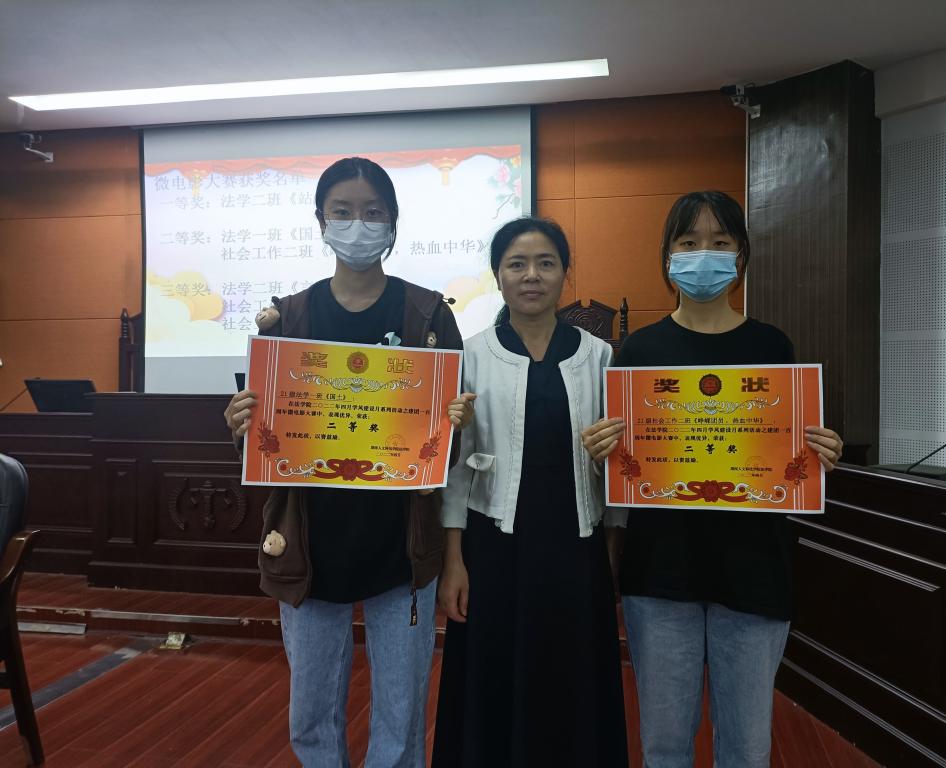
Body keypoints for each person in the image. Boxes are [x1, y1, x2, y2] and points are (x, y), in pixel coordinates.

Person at [223, 157, 474, 768]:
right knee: (311, 713)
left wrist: (454, 425)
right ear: (320, 221)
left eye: (372, 212)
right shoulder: (289, 318)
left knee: (402, 712)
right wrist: (241, 425)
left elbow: (449, 447)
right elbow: (266, 441)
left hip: (402, 546)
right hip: (311, 543)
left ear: (392, 222)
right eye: (342, 211)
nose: (357, 224)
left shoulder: (428, 316)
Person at [587, 191, 844, 768]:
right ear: (667, 256)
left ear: (741, 255)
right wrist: (604, 451)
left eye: (720, 242)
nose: (704, 254)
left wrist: (818, 453)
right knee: (664, 746)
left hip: (754, 572)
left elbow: (788, 450)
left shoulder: (772, 347)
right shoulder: (638, 351)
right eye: (689, 242)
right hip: (660, 573)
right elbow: (627, 467)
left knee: (747, 749)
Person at [431, 217, 629, 767]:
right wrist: (453, 561)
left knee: (573, 678)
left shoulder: (599, 356)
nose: (531, 276)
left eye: (546, 263)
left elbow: (623, 467)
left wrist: (614, 547)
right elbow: (456, 470)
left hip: (577, 546)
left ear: (565, 273)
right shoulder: (471, 355)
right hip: (494, 548)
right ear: (497, 275)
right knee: (494, 678)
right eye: (516, 264)